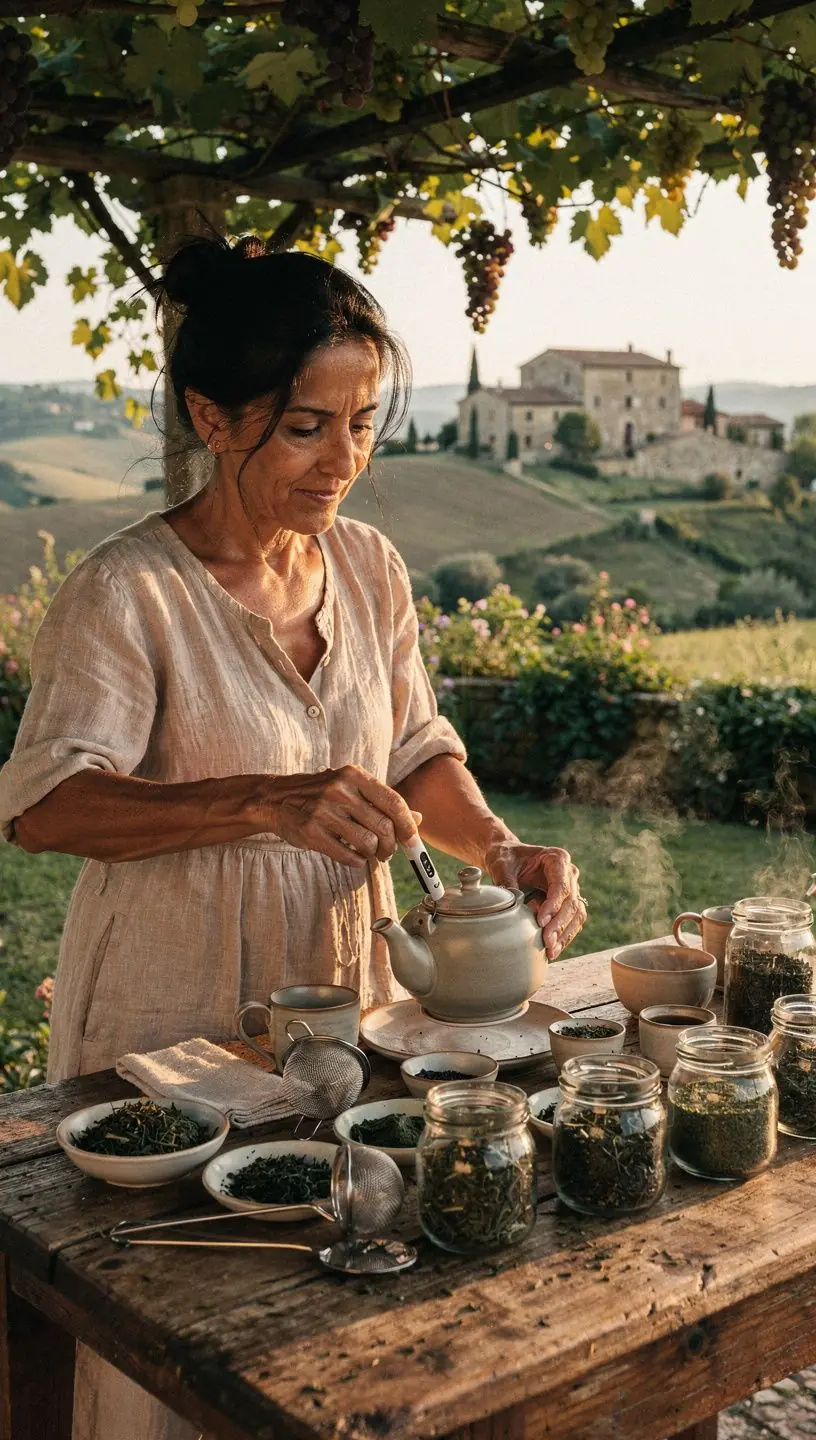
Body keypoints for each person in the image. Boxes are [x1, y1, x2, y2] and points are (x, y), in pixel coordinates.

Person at [0, 234, 587, 1440]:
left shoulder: (367, 567)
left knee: (328, 1322)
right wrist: (263, 801)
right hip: (172, 1019)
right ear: (214, 418)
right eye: (308, 426)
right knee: (179, 1328)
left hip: (344, 1003)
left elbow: (418, 749)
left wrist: (497, 849)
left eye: (364, 423)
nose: (344, 461)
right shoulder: (129, 592)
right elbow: (44, 805)